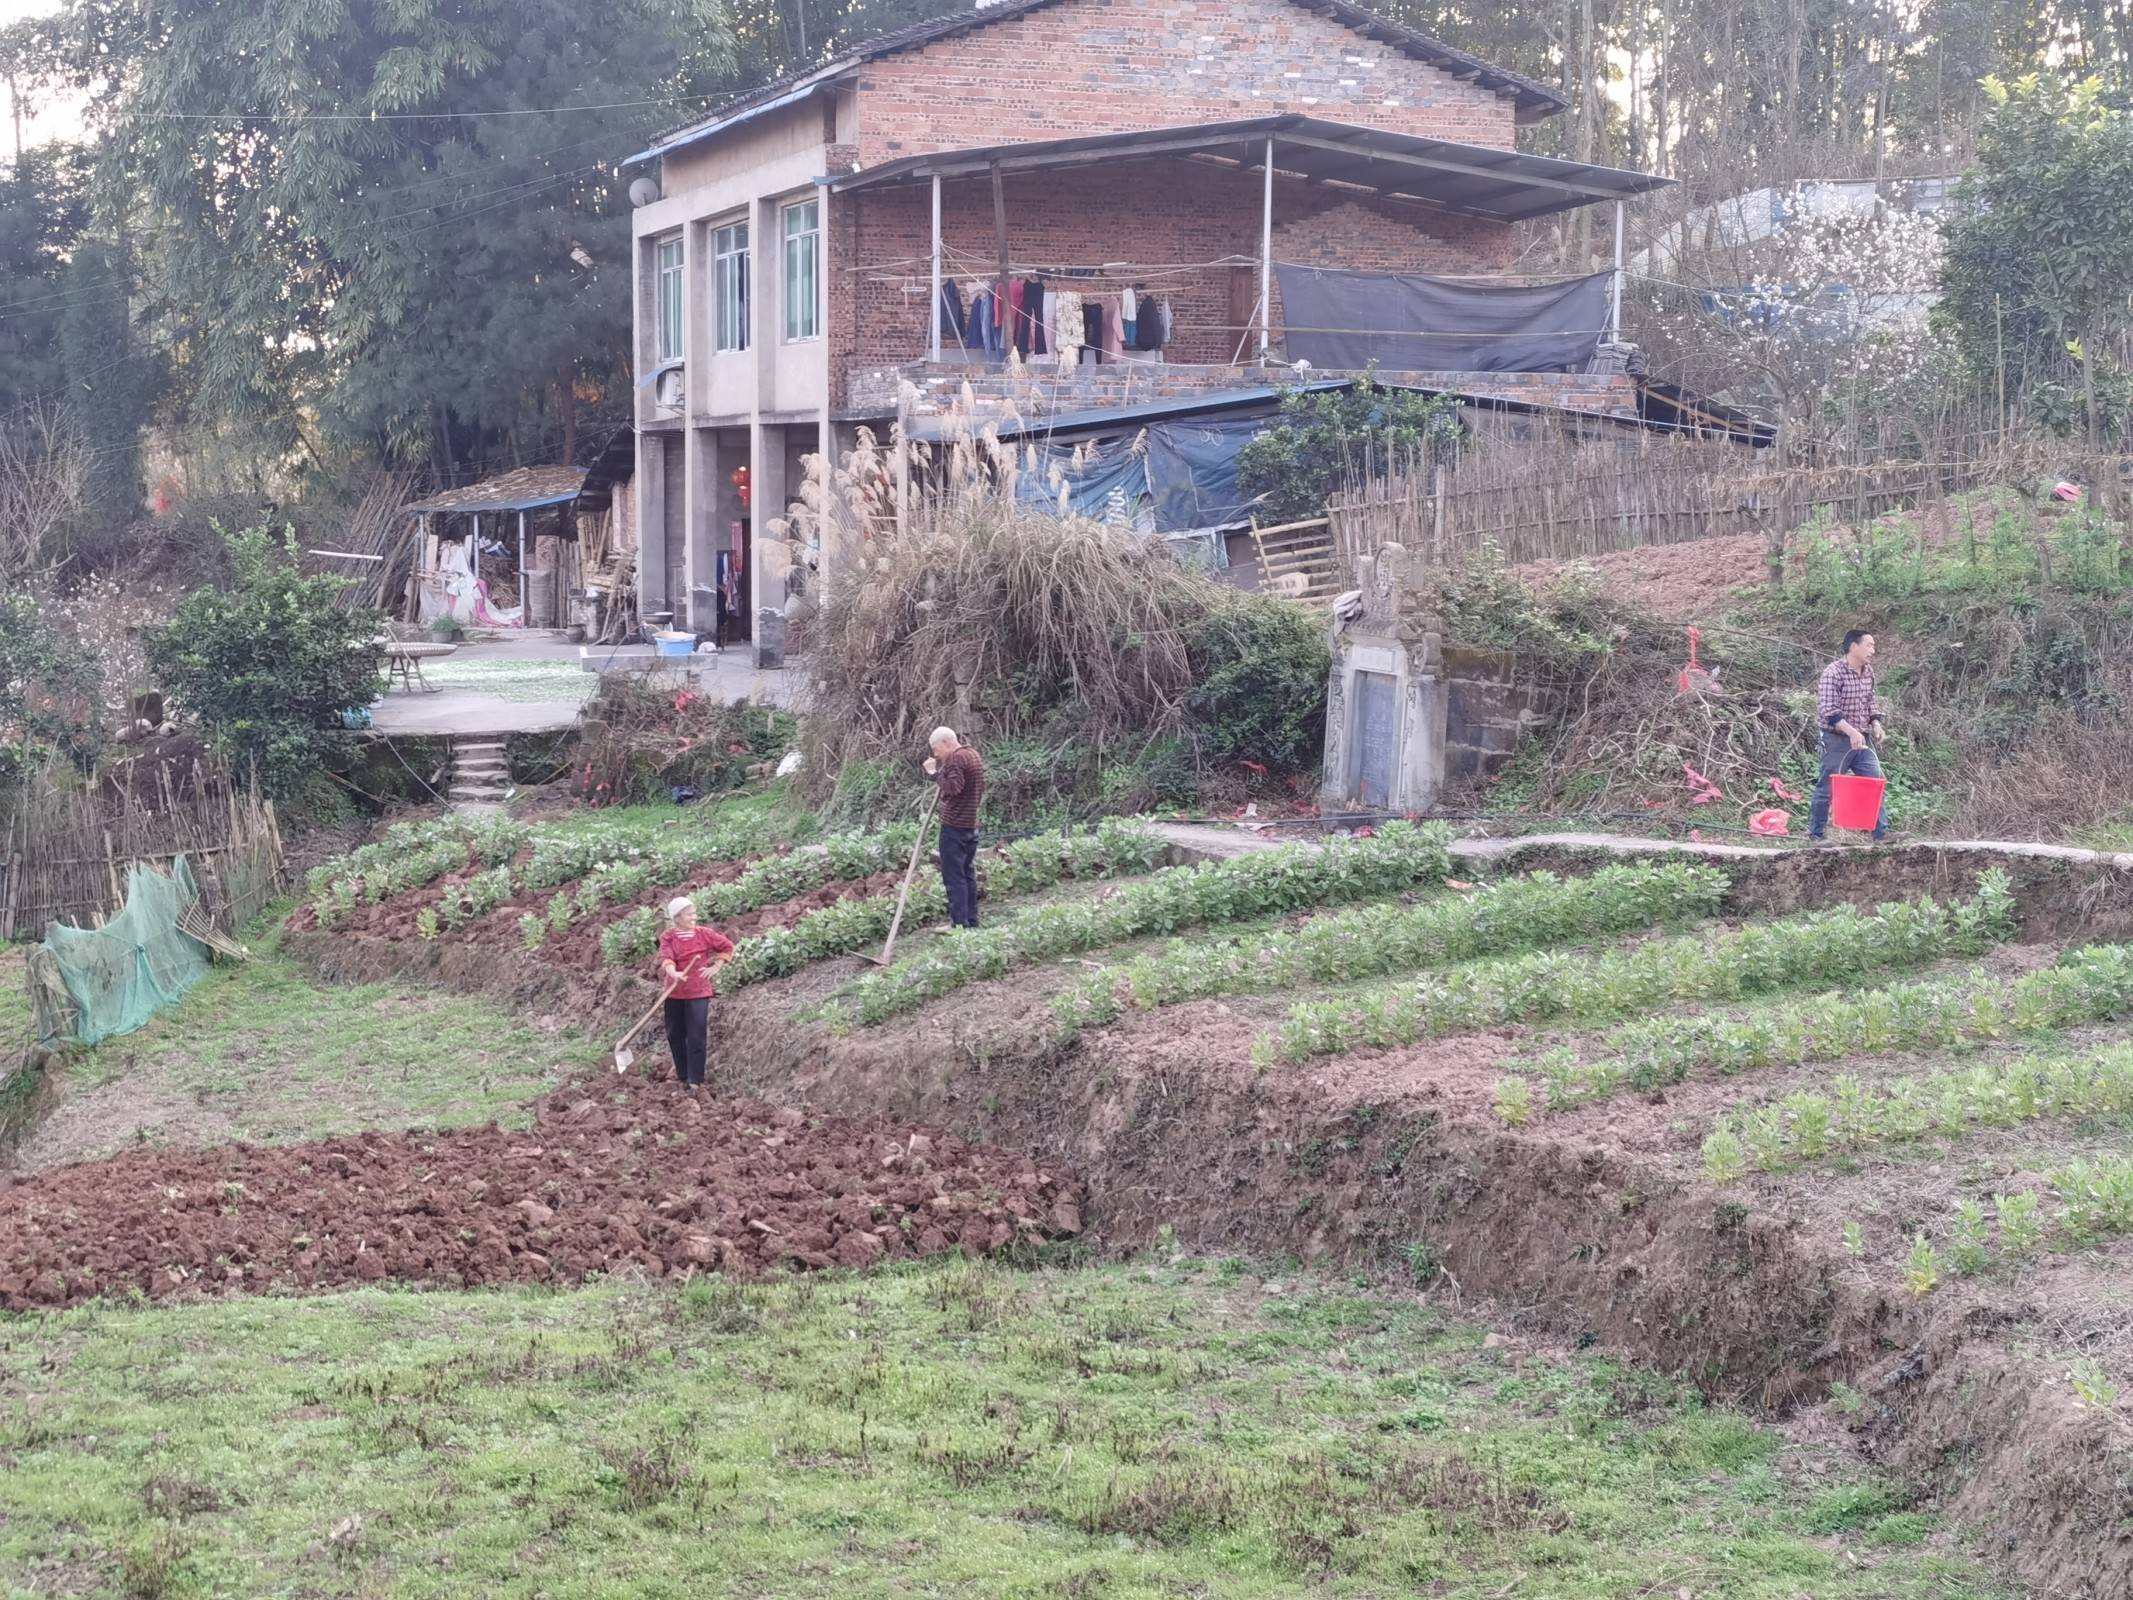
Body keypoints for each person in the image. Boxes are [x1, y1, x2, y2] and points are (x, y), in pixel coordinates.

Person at [1807, 628, 1890, 843]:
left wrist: (1876, 723)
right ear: (1853, 646)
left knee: (1875, 782)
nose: (1873, 650)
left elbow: (1870, 702)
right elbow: (1828, 710)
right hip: (1836, 739)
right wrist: (1851, 731)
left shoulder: (1868, 672)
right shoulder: (1833, 673)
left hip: (1862, 739)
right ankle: (1816, 835)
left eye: (1873, 646)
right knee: (1828, 786)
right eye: (1869, 645)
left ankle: (1881, 834)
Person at [656, 896, 734, 1089]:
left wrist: (716, 966)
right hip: (674, 992)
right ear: (677, 917)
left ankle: (695, 1080)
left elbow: (727, 946)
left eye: (694, 913)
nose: (694, 917)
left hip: (698, 992)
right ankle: (683, 1075)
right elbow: (667, 958)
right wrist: (674, 973)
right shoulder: (668, 937)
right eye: (689, 914)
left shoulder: (704, 934)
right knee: (675, 1034)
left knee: (696, 1036)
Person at [923, 725, 986, 929]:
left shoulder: (956, 758)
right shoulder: (972, 754)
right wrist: (943, 772)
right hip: (970, 824)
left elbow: (953, 787)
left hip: (955, 826)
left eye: (936, 748)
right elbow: (960, 783)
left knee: (954, 876)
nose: (935, 753)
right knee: (967, 873)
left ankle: (958, 923)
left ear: (946, 742)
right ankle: (971, 920)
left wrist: (933, 773)